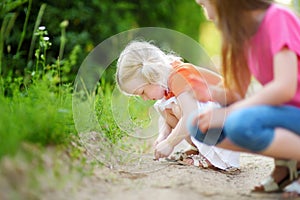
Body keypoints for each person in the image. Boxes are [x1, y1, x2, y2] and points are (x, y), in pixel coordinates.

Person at [189, 0, 300, 197]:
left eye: (204, 5)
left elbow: (285, 88)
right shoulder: (243, 35)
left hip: (293, 111)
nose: (208, 16)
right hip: (283, 114)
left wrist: (229, 111)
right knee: (200, 126)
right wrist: (208, 92)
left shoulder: (278, 18)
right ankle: (287, 165)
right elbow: (236, 94)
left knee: (241, 123)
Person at [116, 40, 240, 172]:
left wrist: (170, 143)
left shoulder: (178, 76)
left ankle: (212, 157)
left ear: (153, 76)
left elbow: (191, 115)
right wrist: (163, 136)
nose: (144, 98)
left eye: (142, 92)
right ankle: (200, 149)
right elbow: (166, 118)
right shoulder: (167, 79)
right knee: (166, 107)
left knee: (178, 109)